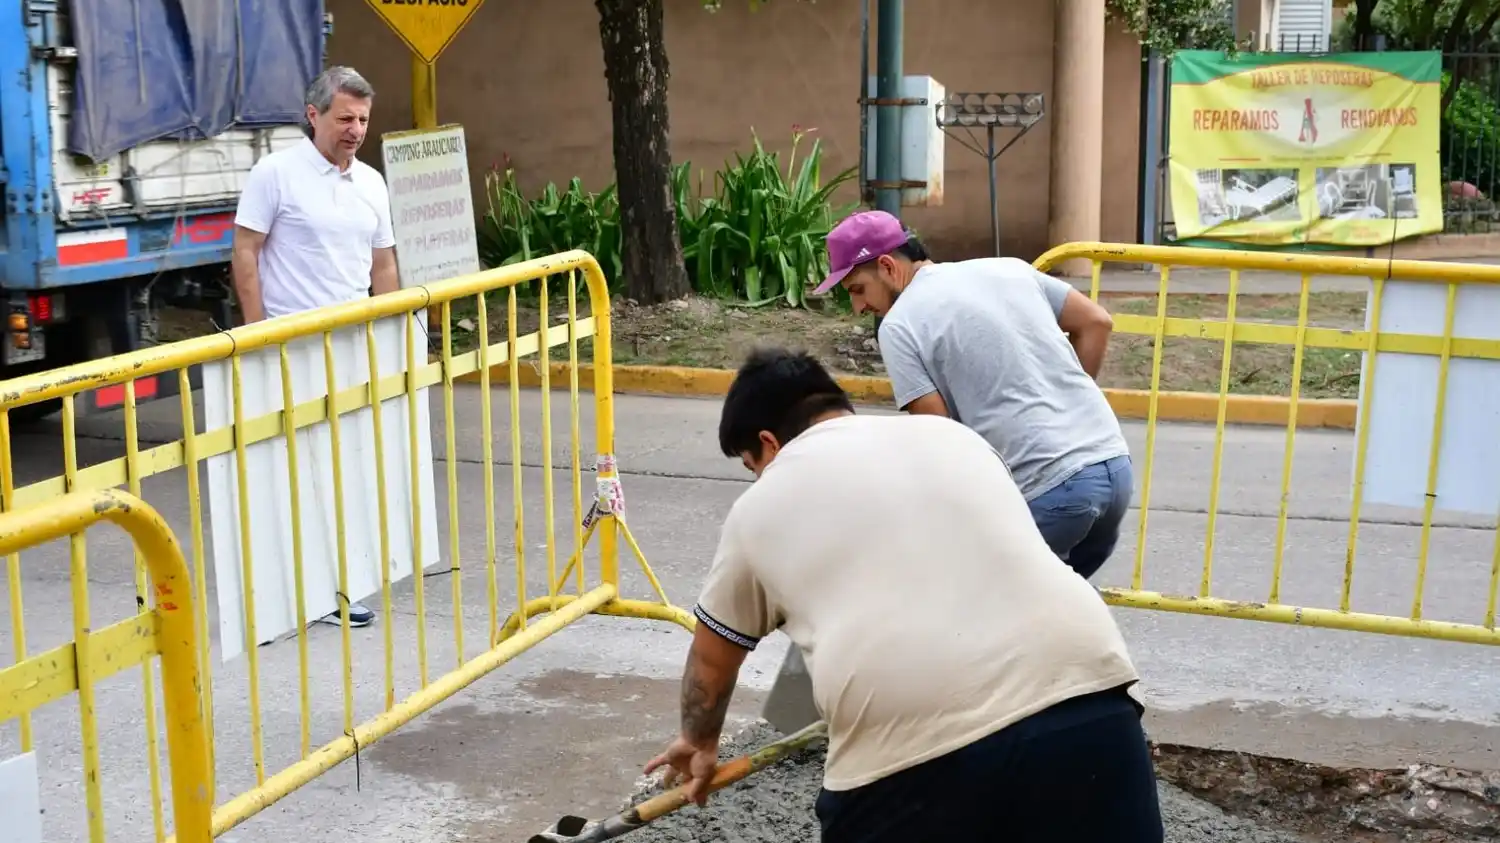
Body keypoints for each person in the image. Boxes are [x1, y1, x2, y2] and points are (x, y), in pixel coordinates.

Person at [644, 348, 1163, 843]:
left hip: (914, 756)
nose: (756, 476)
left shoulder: (761, 505)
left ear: (769, 443)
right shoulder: (956, 439)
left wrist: (700, 741)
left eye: (749, 463)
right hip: (1092, 699)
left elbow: (711, 664)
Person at [813, 210, 1132, 580]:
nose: (858, 307)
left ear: (887, 266)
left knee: (982, 606)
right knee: (1052, 608)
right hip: (1114, 468)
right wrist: (1064, 403)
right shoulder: (1009, 269)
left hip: (1050, 489)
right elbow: (1096, 322)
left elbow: (938, 434)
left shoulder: (900, 324)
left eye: (857, 290)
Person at [230, 65, 400, 629]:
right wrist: (258, 335)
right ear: (313, 115)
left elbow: (384, 265)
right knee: (287, 475)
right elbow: (247, 253)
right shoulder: (275, 174)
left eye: (363, 120)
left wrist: (391, 334)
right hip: (290, 348)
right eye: (344, 118)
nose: (354, 130)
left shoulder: (371, 183)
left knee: (344, 475)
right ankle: (282, 601)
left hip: (352, 349)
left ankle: (336, 588)